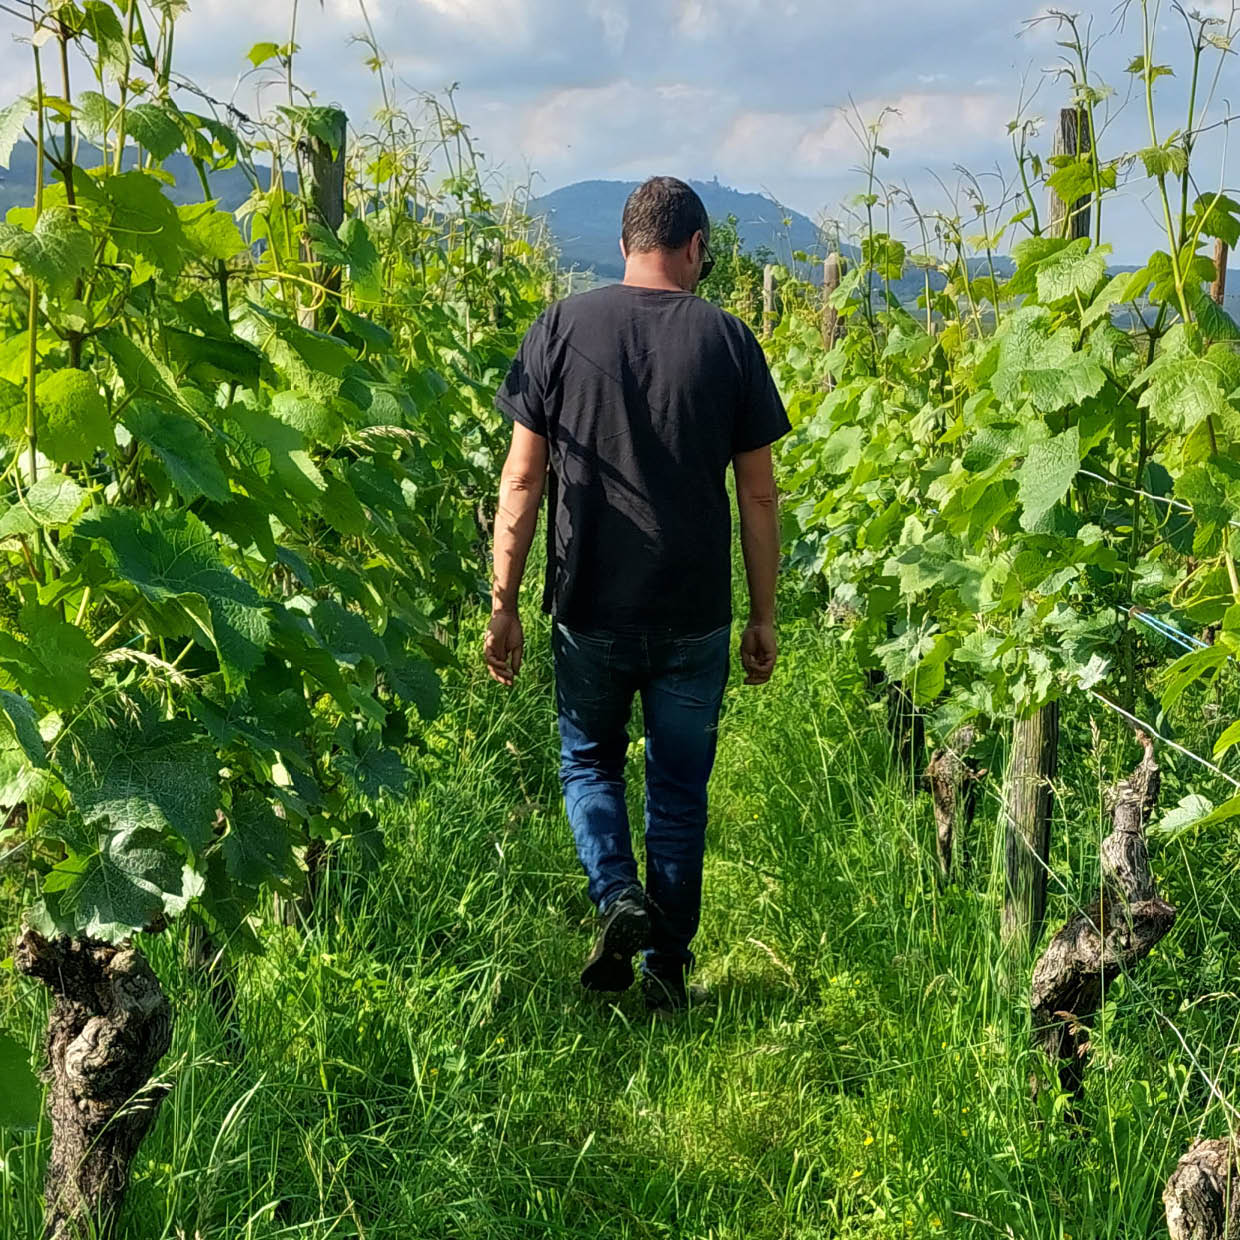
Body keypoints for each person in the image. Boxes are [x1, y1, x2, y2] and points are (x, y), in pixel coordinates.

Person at [485, 175, 790, 1012]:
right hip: (694, 612)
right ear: (694, 248)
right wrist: (764, 614)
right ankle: (666, 968)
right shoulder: (729, 340)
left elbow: (522, 480)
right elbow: (759, 494)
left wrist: (504, 602)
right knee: (680, 792)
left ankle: (617, 891)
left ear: (625, 245)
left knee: (590, 760)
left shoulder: (558, 328)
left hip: (589, 604)